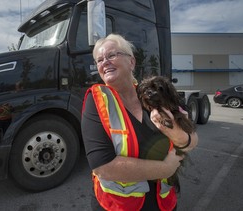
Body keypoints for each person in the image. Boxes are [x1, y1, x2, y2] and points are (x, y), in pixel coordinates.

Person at [81, 34, 198, 211]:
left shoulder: (154, 92)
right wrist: (165, 169)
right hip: (119, 206)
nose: (104, 62)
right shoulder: (97, 100)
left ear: (132, 62)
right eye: (99, 60)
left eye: (111, 55)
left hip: (163, 202)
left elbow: (192, 139)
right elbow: (103, 167)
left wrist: (177, 134)